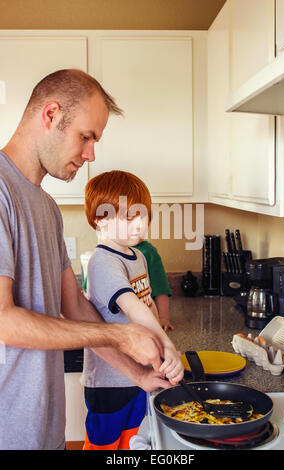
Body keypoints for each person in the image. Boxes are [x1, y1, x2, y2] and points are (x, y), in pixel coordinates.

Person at [0, 69, 171, 451]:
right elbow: (3, 321)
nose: (91, 153)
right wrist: (120, 334)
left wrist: (137, 375)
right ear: (50, 114)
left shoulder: (45, 206)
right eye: (86, 136)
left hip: (45, 428)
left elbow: (74, 304)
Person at [82, 170, 184, 450]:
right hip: (110, 381)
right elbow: (132, 305)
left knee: (135, 442)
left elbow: (147, 303)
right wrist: (168, 346)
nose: (140, 225)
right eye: (129, 217)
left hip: (141, 374)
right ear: (99, 220)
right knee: (105, 445)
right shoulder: (103, 262)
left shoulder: (138, 255)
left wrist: (160, 354)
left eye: (144, 216)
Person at [135, 240, 174, 332]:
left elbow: (160, 287)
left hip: (146, 319)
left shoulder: (148, 252)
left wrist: (163, 317)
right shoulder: (107, 252)